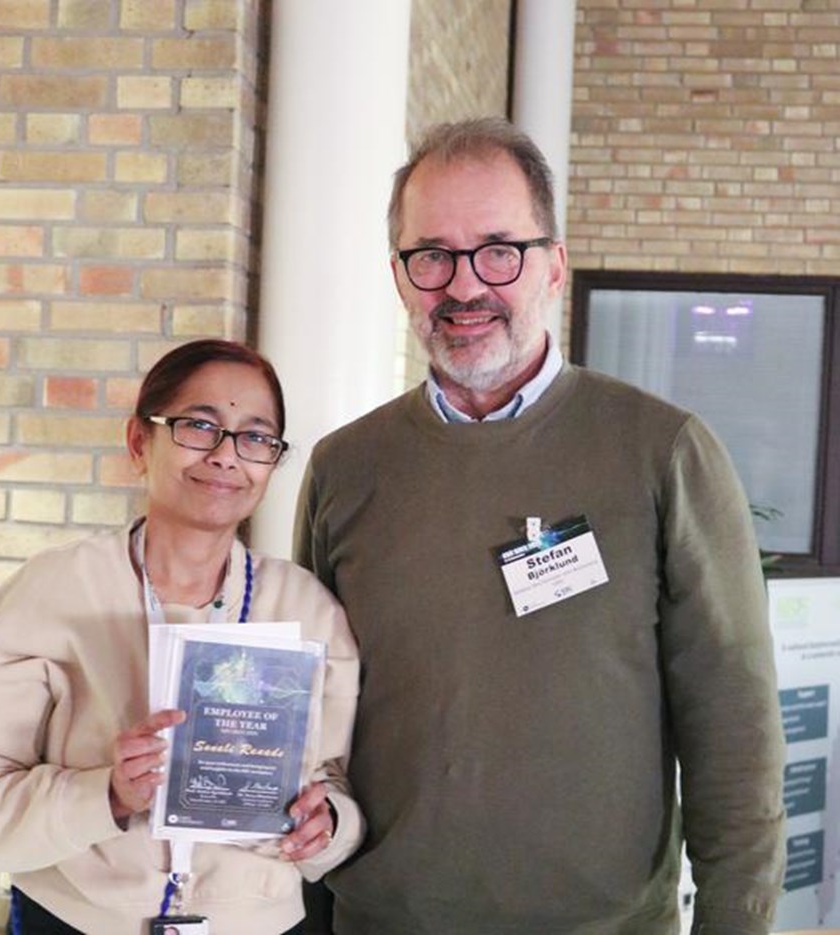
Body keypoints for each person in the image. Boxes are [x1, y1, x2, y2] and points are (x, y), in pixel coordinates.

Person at [294, 117, 786, 934]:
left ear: (553, 264)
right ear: (399, 277)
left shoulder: (661, 452)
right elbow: (314, 720)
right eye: (431, 255)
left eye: (498, 250)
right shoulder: (345, 468)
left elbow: (732, 725)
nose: (463, 286)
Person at [0, 339, 364, 935]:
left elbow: (337, 784)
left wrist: (328, 825)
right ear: (139, 441)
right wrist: (105, 794)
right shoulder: (52, 592)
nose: (226, 455)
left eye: (256, 438)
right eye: (199, 426)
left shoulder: (308, 609)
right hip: (76, 920)